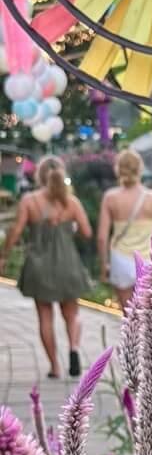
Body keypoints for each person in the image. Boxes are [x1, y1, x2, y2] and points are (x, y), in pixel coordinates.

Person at [0, 154, 91, 377]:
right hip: (68, 264)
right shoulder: (72, 202)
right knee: (71, 314)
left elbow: (16, 231)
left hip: (39, 266)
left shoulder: (29, 201)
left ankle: (55, 367)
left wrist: (4, 256)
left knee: (45, 317)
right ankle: (74, 348)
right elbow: (87, 232)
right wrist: (69, 232)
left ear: (39, 176)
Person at [98, 148, 152, 310]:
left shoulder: (110, 198)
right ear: (140, 169)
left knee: (129, 316)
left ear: (118, 170)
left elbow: (102, 237)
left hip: (120, 259)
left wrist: (104, 266)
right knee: (148, 315)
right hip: (147, 260)